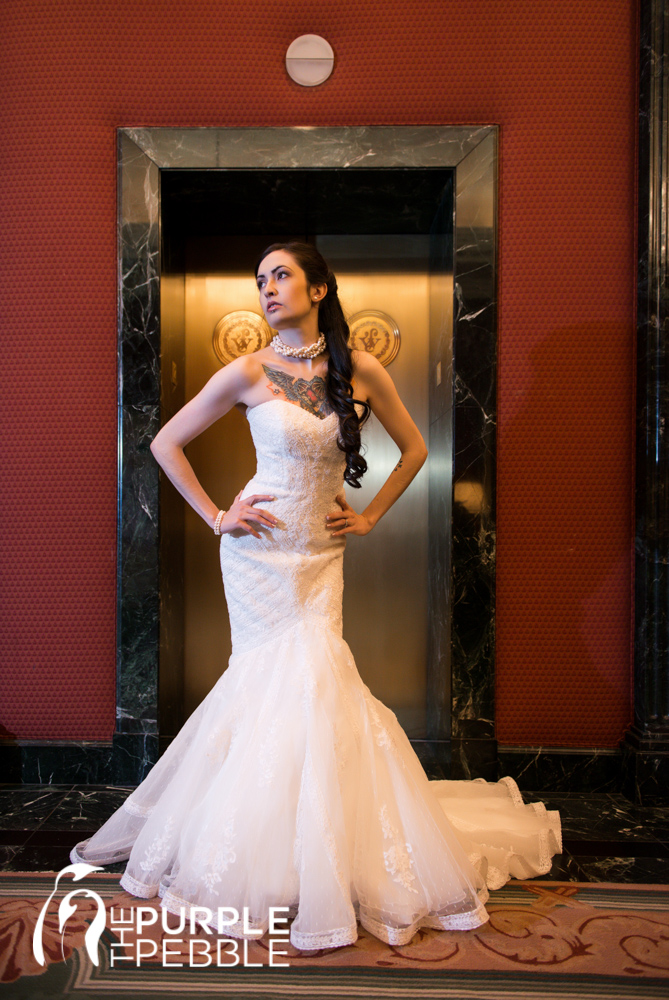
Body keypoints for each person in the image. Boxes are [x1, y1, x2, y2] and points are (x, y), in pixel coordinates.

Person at [71, 241, 561, 951]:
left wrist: (367, 517)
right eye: (260, 279)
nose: (268, 289)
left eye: (281, 276)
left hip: (320, 555)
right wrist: (218, 515)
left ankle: (319, 848)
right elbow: (164, 443)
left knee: (319, 681)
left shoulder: (358, 367)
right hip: (256, 555)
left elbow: (416, 449)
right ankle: (261, 852)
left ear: (320, 289)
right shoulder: (245, 369)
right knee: (270, 684)